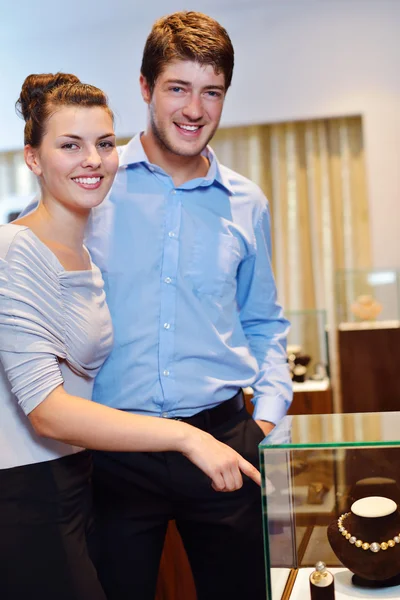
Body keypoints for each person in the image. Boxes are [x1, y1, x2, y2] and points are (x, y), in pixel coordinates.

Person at [0, 72, 260, 600]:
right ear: (33, 158)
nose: (92, 159)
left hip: (75, 479)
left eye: (102, 143)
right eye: (70, 145)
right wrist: (188, 436)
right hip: (25, 490)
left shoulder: (87, 256)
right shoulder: (14, 250)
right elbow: (47, 410)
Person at [85, 11, 292, 600]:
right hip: (115, 450)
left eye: (212, 92)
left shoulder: (248, 202)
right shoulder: (93, 183)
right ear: (146, 88)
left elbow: (262, 320)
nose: (194, 109)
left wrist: (265, 421)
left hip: (225, 439)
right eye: (178, 87)